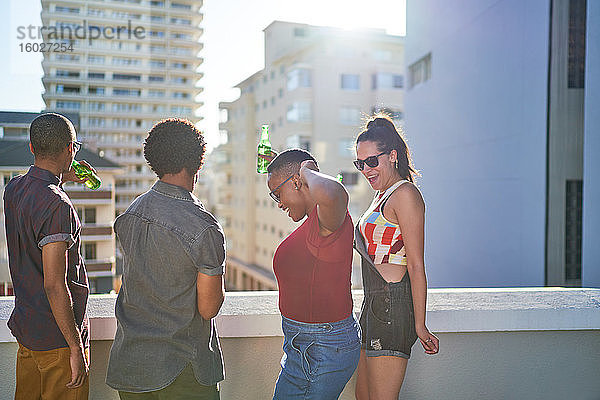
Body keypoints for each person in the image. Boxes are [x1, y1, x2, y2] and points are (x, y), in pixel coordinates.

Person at [106, 118, 226, 399]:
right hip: (181, 371)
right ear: (197, 163)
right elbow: (208, 308)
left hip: (131, 366)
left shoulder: (130, 214)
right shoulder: (203, 227)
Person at [3, 113, 92, 399]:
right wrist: (75, 347)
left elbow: (39, 193)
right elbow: (54, 284)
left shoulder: (13, 189)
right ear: (70, 149)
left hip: (28, 334)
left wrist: (62, 177)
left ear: (32, 147)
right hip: (58, 342)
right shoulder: (58, 206)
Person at [353, 115, 439, 400]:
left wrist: (420, 324)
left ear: (392, 156)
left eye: (372, 161)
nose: (366, 169)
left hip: (392, 308)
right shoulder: (381, 195)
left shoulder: (405, 194)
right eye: (360, 163)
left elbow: (415, 264)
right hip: (373, 306)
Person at [266, 149, 361, 400]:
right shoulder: (315, 223)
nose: (278, 202)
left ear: (298, 182)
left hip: (321, 347)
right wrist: (285, 167)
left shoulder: (329, 224)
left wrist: (306, 168)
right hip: (303, 346)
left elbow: (333, 192)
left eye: (277, 193)